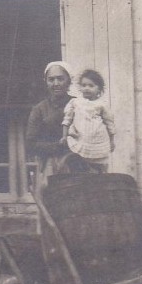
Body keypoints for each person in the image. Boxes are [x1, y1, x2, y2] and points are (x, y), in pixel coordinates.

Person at [26, 61, 76, 199]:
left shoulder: (79, 105)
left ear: (69, 81)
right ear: (45, 82)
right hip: (50, 166)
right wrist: (58, 146)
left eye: (60, 78)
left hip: (78, 165)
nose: (56, 83)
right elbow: (30, 144)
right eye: (51, 79)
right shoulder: (39, 109)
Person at [62, 69, 116, 173]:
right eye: (84, 85)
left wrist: (112, 140)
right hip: (81, 139)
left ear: (99, 89)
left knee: (100, 167)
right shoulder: (75, 102)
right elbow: (67, 120)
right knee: (82, 167)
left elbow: (109, 122)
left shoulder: (101, 104)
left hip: (98, 140)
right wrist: (64, 136)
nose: (87, 88)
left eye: (91, 86)